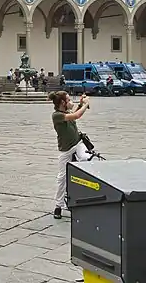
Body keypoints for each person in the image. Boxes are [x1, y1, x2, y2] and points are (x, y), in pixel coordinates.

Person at [51, 90, 91, 219]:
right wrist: (85, 105)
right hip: (66, 149)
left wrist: (80, 104)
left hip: (78, 143)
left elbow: (74, 113)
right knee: (61, 177)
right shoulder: (57, 115)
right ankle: (58, 205)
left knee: (86, 159)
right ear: (63, 103)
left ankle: (81, 194)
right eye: (68, 100)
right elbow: (76, 116)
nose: (70, 102)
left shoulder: (66, 112)